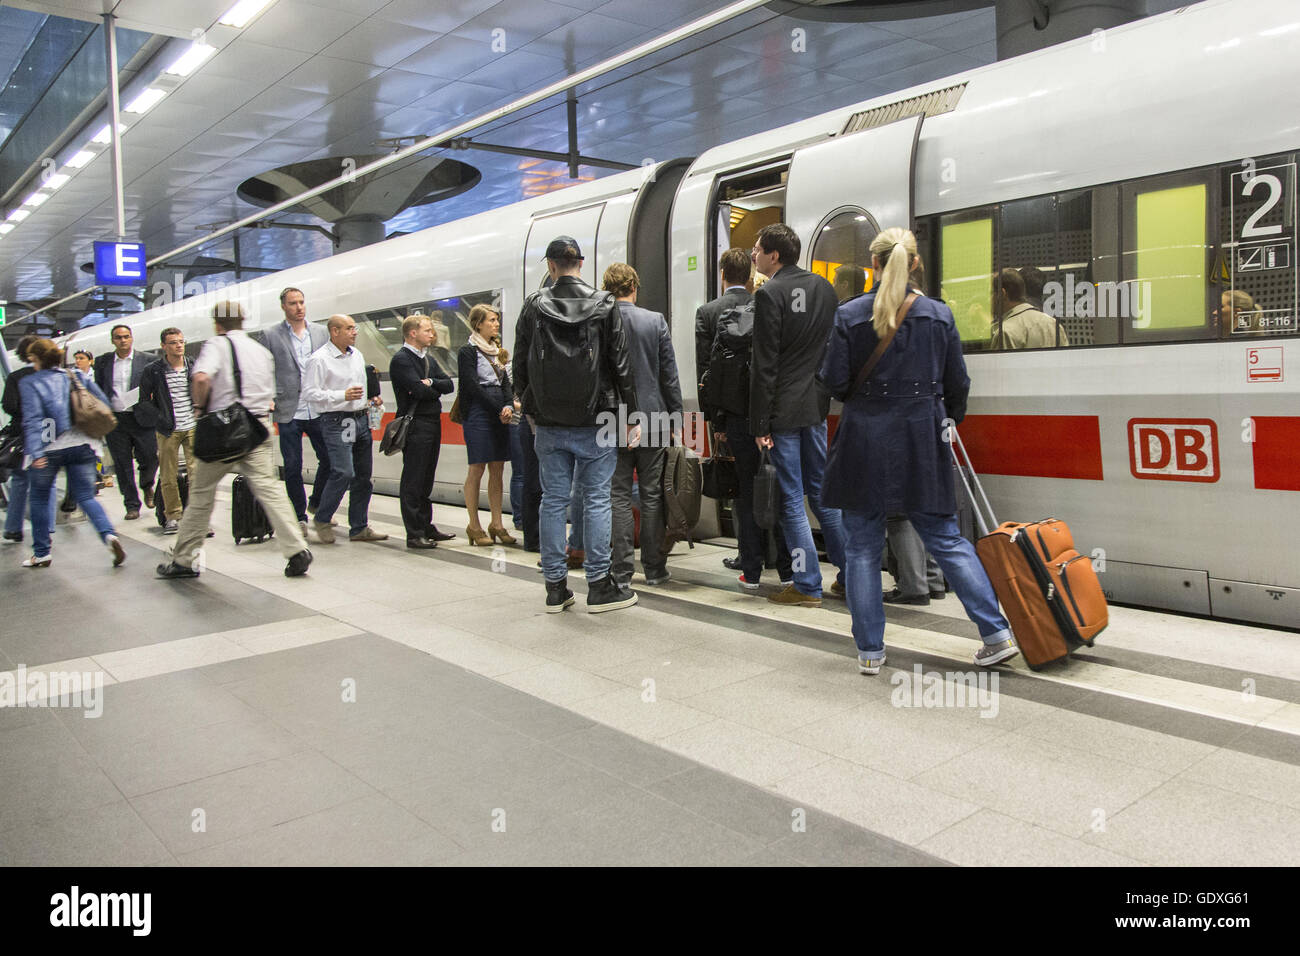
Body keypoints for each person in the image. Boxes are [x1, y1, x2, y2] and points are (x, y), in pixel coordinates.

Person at [820, 227, 1019, 674]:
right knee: (947, 540)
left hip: (863, 442)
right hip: (920, 439)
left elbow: (832, 381)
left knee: (862, 551)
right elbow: (958, 386)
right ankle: (996, 633)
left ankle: (870, 652)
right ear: (915, 264)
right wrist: (940, 417)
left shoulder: (849, 315)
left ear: (874, 264)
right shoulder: (938, 314)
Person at [513, 235, 640, 613]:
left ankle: (555, 588)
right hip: (595, 417)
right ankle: (599, 586)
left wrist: (530, 410)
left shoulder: (533, 306)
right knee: (597, 498)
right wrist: (631, 416)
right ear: (581, 264)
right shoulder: (604, 304)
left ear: (551, 266)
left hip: (549, 422)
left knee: (553, 500)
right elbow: (621, 364)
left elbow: (519, 366)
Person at [156, 302, 312, 579]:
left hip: (223, 431)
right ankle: (297, 549)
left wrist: (200, 409)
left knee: (202, 495)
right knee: (269, 489)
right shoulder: (261, 351)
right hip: (258, 428)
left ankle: (183, 559)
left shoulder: (217, 345)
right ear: (243, 321)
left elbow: (202, 378)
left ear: (217, 324)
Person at [749, 222, 846, 607]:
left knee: (791, 497)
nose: (753, 255)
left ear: (774, 255)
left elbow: (764, 365)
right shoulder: (824, 288)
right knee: (823, 492)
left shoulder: (770, 294)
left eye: (757, 249)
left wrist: (759, 423)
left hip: (783, 413)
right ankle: (851, 572)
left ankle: (806, 583)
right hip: (815, 409)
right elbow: (833, 349)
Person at [696, 251, 794, 590]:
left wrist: (717, 422)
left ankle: (750, 571)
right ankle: (786, 569)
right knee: (779, 491)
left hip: (736, 419)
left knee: (746, 492)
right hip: (772, 418)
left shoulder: (714, 315)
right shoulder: (774, 314)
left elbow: (707, 374)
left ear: (723, 273)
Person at [603, 262, 682, 586]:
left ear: (607, 289)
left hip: (612, 418)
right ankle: (654, 569)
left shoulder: (600, 323)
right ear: (634, 287)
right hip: (654, 417)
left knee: (618, 495)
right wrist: (676, 417)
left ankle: (621, 571)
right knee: (652, 494)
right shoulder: (655, 321)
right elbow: (669, 375)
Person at [18, 339, 125, 569]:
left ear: (35, 359)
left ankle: (42, 553)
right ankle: (108, 535)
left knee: (38, 497)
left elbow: (33, 418)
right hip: (82, 444)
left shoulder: (31, 382)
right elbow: (102, 402)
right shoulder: (76, 375)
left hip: (49, 447)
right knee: (86, 496)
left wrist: (36, 452)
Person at [302, 314, 387, 545]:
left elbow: (359, 386)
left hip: (360, 420)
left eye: (354, 327)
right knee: (343, 471)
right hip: (337, 421)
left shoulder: (357, 355)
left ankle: (359, 527)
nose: (355, 331)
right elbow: (309, 393)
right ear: (334, 331)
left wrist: (371, 398)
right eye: (349, 328)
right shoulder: (319, 359)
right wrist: (342, 396)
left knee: (363, 476)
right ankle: (322, 518)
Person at [263, 287, 333, 538]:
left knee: (330, 460)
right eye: (293, 303)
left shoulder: (321, 332)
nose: (299, 307)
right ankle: (300, 516)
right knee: (293, 466)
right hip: (288, 409)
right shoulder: (270, 335)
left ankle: (316, 501)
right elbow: (265, 369)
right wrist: (268, 398)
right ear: (283, 306)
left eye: (302, 302)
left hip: (317, 407)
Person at [389, 313, 454, 549]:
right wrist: (429, 386)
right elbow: (418, 391)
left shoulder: (428, 359)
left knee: (426, 478)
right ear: (413, 333)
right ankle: (414, 533)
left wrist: (432, 384)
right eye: (427, 330)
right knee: (413, 479)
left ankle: (426, 526)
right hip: (415, 424)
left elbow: (448, 385)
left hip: (432, 422)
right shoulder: (401, 360)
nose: (432, 334)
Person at [458, 304, 517, 546]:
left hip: (499, 413)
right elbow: (471, 385)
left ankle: (497, 523)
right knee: (477, 468)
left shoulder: (498, 351)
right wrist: (497, 408)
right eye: (491, 320)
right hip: (478, 413)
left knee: (498, 468)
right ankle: (474, 524)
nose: (496, 324)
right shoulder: (468, 351)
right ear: (478, 324)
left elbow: (505, 383)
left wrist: (508, 406)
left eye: (496, 320)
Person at [93, 324, 158, 519]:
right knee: (122, 464)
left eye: (126, 336)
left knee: (149, 457)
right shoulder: (102, 362)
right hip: (116, 420)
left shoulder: (148, 360)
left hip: (141, 418)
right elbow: (98, 389)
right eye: (118, 337)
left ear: (132, 338)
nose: (123, 340)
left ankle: (147, 485)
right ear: (112, 340)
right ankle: (131, 504)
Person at [138, 327, 196, 534]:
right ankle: (172, 516)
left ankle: (195, 518)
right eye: (173, 342)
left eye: (181, 341)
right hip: (168, 429)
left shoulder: (193, 365)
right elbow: (143, 402)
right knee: (168, 476)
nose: (179, 345)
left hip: (193, 426)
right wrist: (160, 419)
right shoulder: (153, 370)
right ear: (164, 346)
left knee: (197, 475)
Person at [3, 335, 57, 544]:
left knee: (19, 481)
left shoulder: (16, 377)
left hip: (23, 435)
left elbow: (8, 405)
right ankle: (47, 527)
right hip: (48, 434)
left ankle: (13, 528)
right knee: (48, 482)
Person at [990, 267, 1068, 349]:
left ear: (1002, 294)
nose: (988, 299)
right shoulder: (1054, 324)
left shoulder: (1004, 332)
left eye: (991, 293)